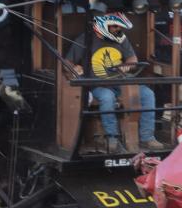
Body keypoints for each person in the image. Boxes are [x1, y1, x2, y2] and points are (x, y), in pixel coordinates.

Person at [66, 14, 164, 152]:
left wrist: (125, 66)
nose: (118, 29)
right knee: (107, 97)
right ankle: (112, 138)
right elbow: (67, 62)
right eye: (115, 26)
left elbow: (132, 59)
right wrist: (75, 68)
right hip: (97, 84)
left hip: (120, 81)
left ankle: (147, 137)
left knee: (147, 94)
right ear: (103, 26)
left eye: (120, 27)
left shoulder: (121, 38)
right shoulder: (85, 39)